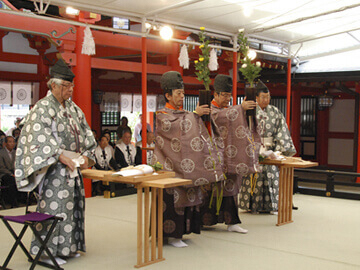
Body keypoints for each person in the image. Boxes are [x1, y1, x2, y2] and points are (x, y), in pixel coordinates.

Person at [14, 59, 97, 265]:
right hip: (54, 168)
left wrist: (88, 155)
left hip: (73, 166)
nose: (70, 90)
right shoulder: (42, 107)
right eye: (66, 86)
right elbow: (36, 135)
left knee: (73, 207)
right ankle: (46, 251)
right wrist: (60, 156)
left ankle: (68, 247)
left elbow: (87, 133)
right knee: (55, 208)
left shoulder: (74, 109)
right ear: (53, 85)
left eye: (72, 86)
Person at [153, 71, 223, 248]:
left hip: (186, 167)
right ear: (167, 95)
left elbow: (196, 130)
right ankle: (171, 235)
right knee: (172, 199)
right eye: (178, 93)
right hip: (169, 166)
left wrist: (201, 118)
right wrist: (195, 115)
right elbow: (173, 127)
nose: (182, 96)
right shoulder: (161, 115)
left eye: (183, 93)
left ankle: (182, 233)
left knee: (189, 195)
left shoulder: (185, 113)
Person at [201, 74, 261, 233]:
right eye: (225, 95)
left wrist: (244, 111)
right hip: (214, 155)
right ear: (216, 95)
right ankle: (205, 221)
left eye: (229, 95)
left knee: (231, 188)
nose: (228, 98)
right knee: (210, 187)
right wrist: (240, 108)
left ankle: (232, 222)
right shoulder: (211, 110)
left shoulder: (231, 110)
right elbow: (218, 117)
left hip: (230, 156)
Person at [239, 80, 296, 214]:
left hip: (271, 149)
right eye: (263, 97)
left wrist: (279, 150)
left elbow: (282, 131)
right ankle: (252, 205)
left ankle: (272, 205)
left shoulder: (275, 112)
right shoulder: (250, 111)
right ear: (257, 98)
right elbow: (244, 129)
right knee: (255, 175)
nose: (266, 100)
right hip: (253, 149)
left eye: (268, 97)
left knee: (272, 175)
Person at [0, 136, 18, 208]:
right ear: (5, 143)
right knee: (11, 180)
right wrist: (11, 174)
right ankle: (13, 202)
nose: (12, 143)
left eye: (13, 141)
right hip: (4, 173)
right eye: (10, 142)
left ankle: (22, 199)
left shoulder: (15, 152)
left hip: (14, 172)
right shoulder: (1, 153)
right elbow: (1, 167)